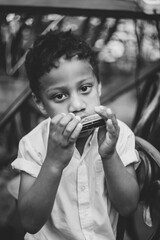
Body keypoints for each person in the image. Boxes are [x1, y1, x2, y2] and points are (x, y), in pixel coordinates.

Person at [11, 29, 140, 240]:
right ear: (40, 103)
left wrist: (109, 156)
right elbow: (30, 222)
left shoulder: (119, 134)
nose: (77, 105)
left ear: (98, 87)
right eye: (59, 96)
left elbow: (128, 206)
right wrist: (53, 162)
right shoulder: (33, 144)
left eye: (85, 88)